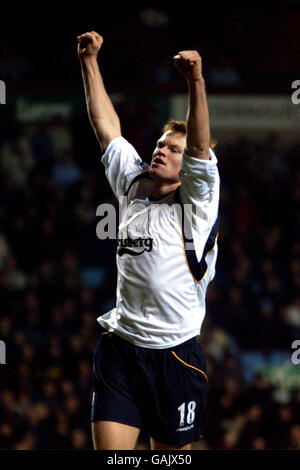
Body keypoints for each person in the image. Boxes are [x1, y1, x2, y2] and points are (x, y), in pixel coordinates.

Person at [77, 31, 220, 451]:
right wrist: (89, 61)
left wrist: (195, 80)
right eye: (160, 143)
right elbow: (106, 127)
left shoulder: (198, 203)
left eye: (172, 150)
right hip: (121, 351)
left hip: (175, 357)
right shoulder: (133, 183)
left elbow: (197, 145)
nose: (161, 150)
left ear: (189, 165)